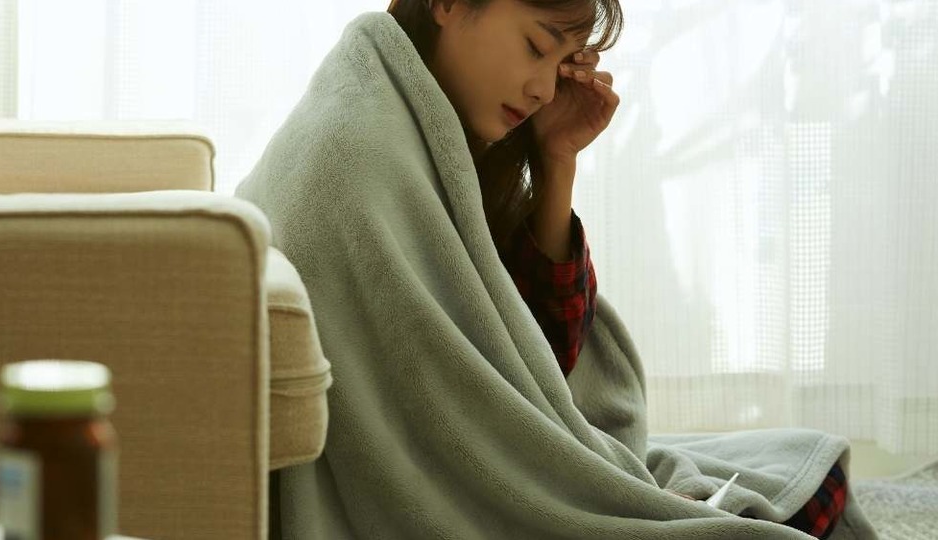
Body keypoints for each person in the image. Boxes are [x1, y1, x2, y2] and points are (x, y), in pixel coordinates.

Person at [238, 1, 871, 537]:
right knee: (788, 510)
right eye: (536, 46)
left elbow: (538, 359)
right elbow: (465, 422)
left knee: (802, 468)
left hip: (496, 457)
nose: (544, 87)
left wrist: (555, 159)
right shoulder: (359, 155)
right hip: (442, 495)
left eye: (563, 61)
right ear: (448, 3)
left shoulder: (411, 128)